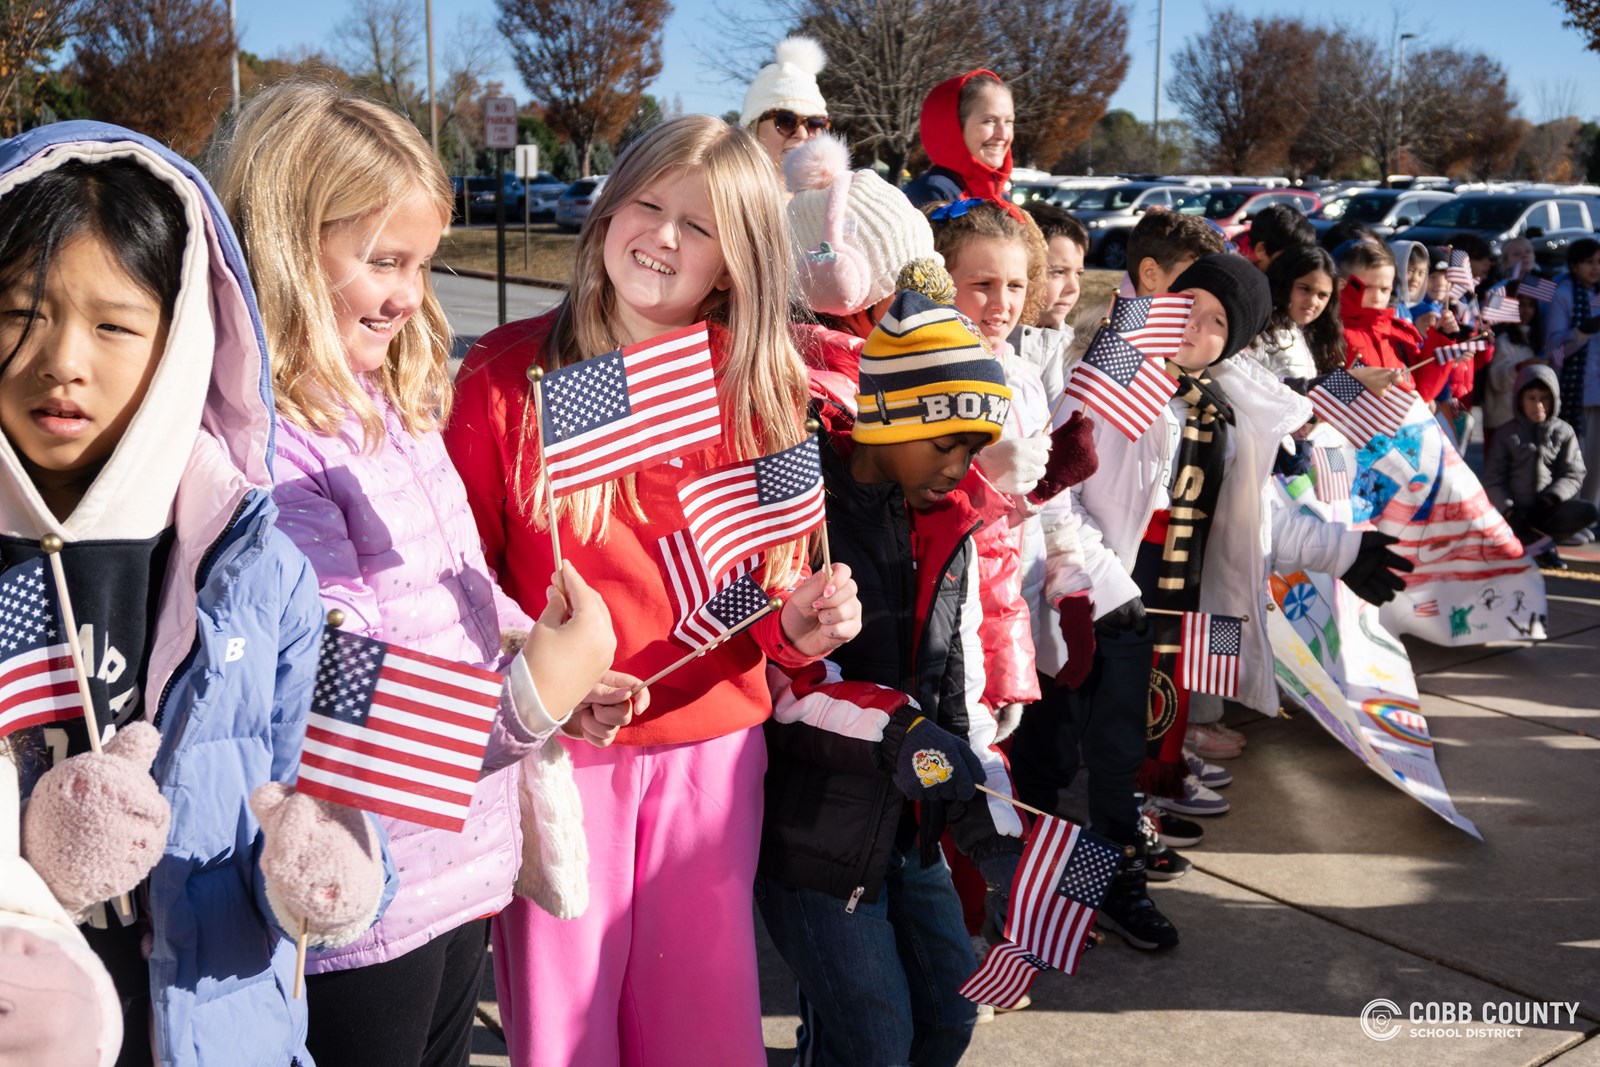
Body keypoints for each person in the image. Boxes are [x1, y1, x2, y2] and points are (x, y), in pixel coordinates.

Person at [210, 82, 622, 1067]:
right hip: (359, 884)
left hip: (460, 854)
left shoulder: (389, 404)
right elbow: (332, 691)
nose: (411, 293)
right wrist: (534, 695)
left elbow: (449, 589)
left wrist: (533, 647)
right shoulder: (262, 445)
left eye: (423, 262)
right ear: (282, 244)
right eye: (382, 260)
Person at [444, 115, 863, 1067]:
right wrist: (543, 677)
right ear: (606, 213)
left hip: (710, 747)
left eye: (701, 225)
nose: (665, 236)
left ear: (735, 262)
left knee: (702, 1019)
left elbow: (775, 587)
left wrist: (801, 625)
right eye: (648, 203)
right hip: (562, 754)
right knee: (564, 1023)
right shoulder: (508, 378)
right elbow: (457, 577)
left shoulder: (761, 385)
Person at [0, 125, 392, 1066]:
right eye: (21, 309)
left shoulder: (260, 567)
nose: (62, 358)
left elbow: (330, 782)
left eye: (114, 324)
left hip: (224, 1030)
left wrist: (324, 876)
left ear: (182, 344)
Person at [1031, 256, 1398, 949]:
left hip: (1178, 606)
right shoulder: (1111, 378)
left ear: (1230, 343)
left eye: (1216, 323)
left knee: (1133, 751)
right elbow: (1055, 493)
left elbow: (1255, 524)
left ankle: (1113, 882)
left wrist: (1347, 552)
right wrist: (1105, 587)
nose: (1194, 327)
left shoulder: (1226, 411)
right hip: (1093, 594)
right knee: (1054, 753)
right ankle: (1031, 877)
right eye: (1187, 305)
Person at [759, 282, 1025, 1066]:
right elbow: (781, 680)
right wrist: (898, 733)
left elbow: (957, 680)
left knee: (950, 1015)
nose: (960, 465)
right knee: (870, 1040)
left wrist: (989, 819)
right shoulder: (799, 506)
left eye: (974, 449)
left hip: (913, 830)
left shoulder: (950, 520)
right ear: (891, 420)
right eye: (946, 443)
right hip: (817, 836)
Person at [781, 131, 940, 405]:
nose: (927, 298)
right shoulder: (823, 404)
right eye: (909, 285)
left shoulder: (888, 366)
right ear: (839, 289)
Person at [1484, 364, 1597, 567]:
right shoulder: (1506, 433)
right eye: (1532, 398)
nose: (1539, 405)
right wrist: (1509, 510)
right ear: (1519, 399)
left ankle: (1542, 542)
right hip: (1512, 511)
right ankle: (1529, 543)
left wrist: (1552, 497)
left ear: (1554, 400)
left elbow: (1574, 473)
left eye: (1545, 398)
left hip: (1546, 509)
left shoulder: (1564, 431)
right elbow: (1493, 479)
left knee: (1586, 511)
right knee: (1495, 521)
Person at [902, 70, 1021, 217]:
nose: (1003, 134)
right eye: (989, 121)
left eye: (1008, 121)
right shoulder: (934, 194)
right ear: (954, 128)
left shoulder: (1001, 196)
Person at [1543, 237, 1600, 525]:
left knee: (1597, 464)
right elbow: (1555, 352)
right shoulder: (1564, 294)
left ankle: (1590, 515)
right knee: (1574, 462)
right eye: (1589, 262)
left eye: (1599, 262)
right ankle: (1571, 518)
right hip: (1575, 393)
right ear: (1575, 265)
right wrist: (1581, 334)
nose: (1595, 268)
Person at [1015, 201, 1088, 400]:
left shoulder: (1079, 354)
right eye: (1057, 272)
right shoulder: (991, 344)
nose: (1073, 287)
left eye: (1078, 273)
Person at [1249, 244, 1344, 381]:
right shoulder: (1259, 331)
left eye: (1322, 295)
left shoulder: (1316, 335)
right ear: (1283, 283)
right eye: (1305, 289)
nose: (1313, 301)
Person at [740, 36, 830, 173]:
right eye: (786, 121)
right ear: (752, 129)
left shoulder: (844, 191)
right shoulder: (714, 191)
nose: (802, 134)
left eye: (815, 123)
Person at [1481, 280, 1543, 455]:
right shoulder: (1503, 340)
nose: (1526, 310)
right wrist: (1520, 368)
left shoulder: (1539, 339)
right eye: (1521, 304)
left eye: (1531, 305)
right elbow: (1496, 380)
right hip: (1503, 420)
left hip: (1529, 419)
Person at [1242, 203, 1314, 270]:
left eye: (1302, 258)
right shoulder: (1243, 280)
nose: (1296, 265)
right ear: (1261, 250)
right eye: (1290, 258)